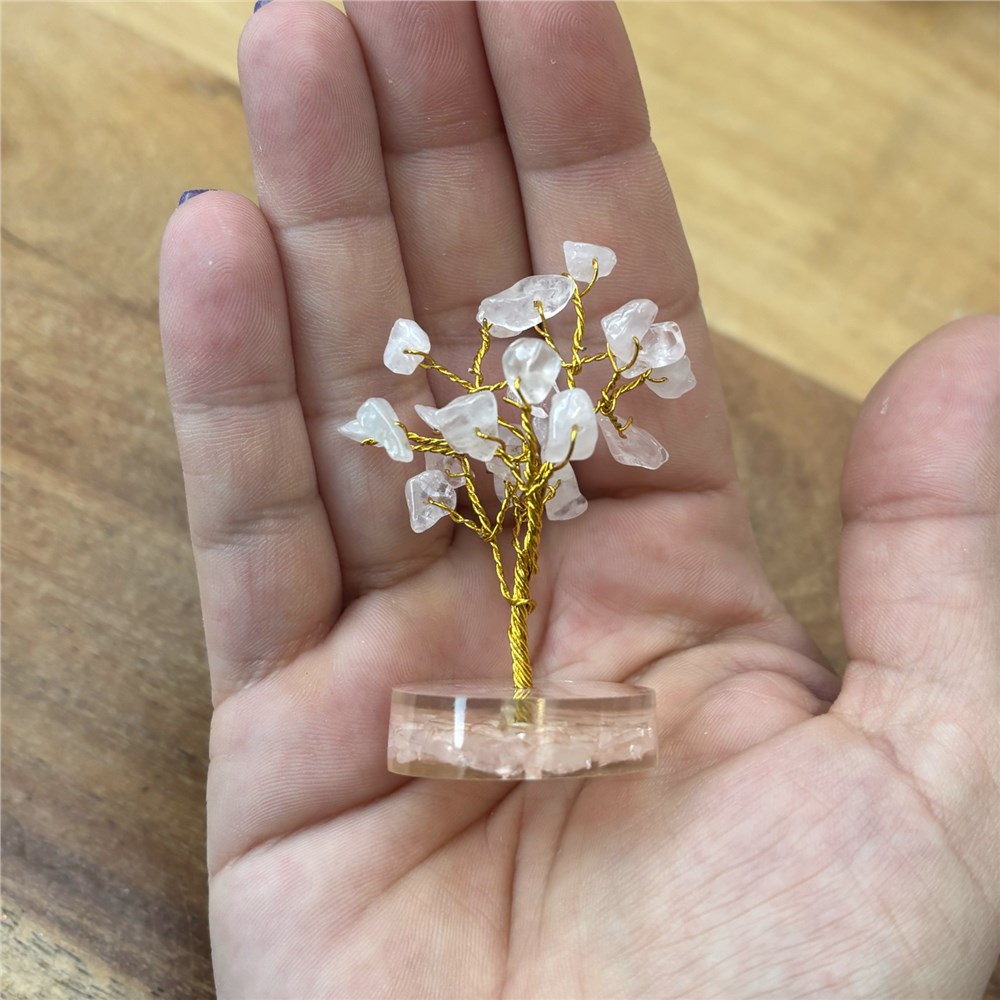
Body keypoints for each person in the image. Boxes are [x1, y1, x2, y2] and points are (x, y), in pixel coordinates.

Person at [158, 2, 1000, 996]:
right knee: (506, 548)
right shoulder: (496, 432)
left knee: (515, 552)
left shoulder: (556, 419)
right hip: (493, 477)